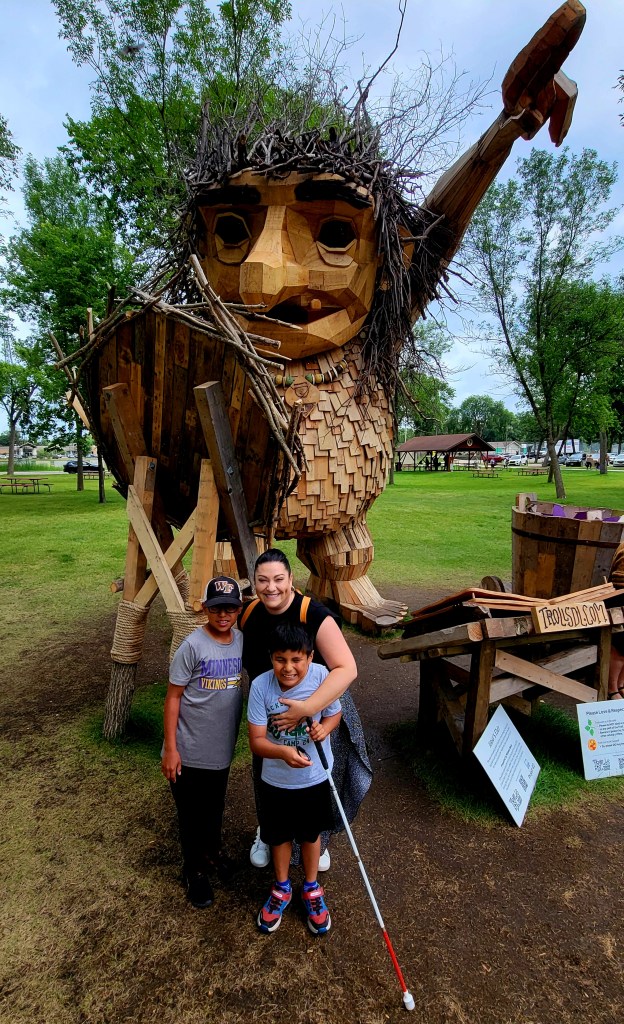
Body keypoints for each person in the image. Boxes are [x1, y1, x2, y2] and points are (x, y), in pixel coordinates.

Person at [239, 548, 370, 873]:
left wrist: (308, 708)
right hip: (269, 706)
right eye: (263, 580)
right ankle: (268, 833)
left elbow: (346, 668)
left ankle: (318, 839)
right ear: (255, 583)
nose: (271, 588)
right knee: (267, 774)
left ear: (291, 580)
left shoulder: (313, 614)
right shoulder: (249, 615)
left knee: (320, 775)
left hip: (319, 706)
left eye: (278, 579)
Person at [248, 623, 342, 935]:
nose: (288, 668)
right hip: (275, 780)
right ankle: (282, 887)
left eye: (296, 660)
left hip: (314, 778)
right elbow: (257, 742)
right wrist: (283, 754)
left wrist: (324, 729)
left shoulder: (321, 677)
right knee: (278, 835)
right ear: (271, 658)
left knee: (310, 834)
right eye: (280, 659)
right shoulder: (261, 687)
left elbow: (334, 713)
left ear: (310, 657)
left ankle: (312, 888)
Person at [161, 575, 243, 908]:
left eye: (230, 608)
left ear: (238, 609)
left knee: (214, 807)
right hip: (189, 750)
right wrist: (171, 748)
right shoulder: (192, 646)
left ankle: (211, 853)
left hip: (220, 749)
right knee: (191, 814)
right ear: (204, 609)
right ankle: (193, 869)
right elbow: (173, 697)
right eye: (215, 608)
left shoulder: (239, 640)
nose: (223, 615)